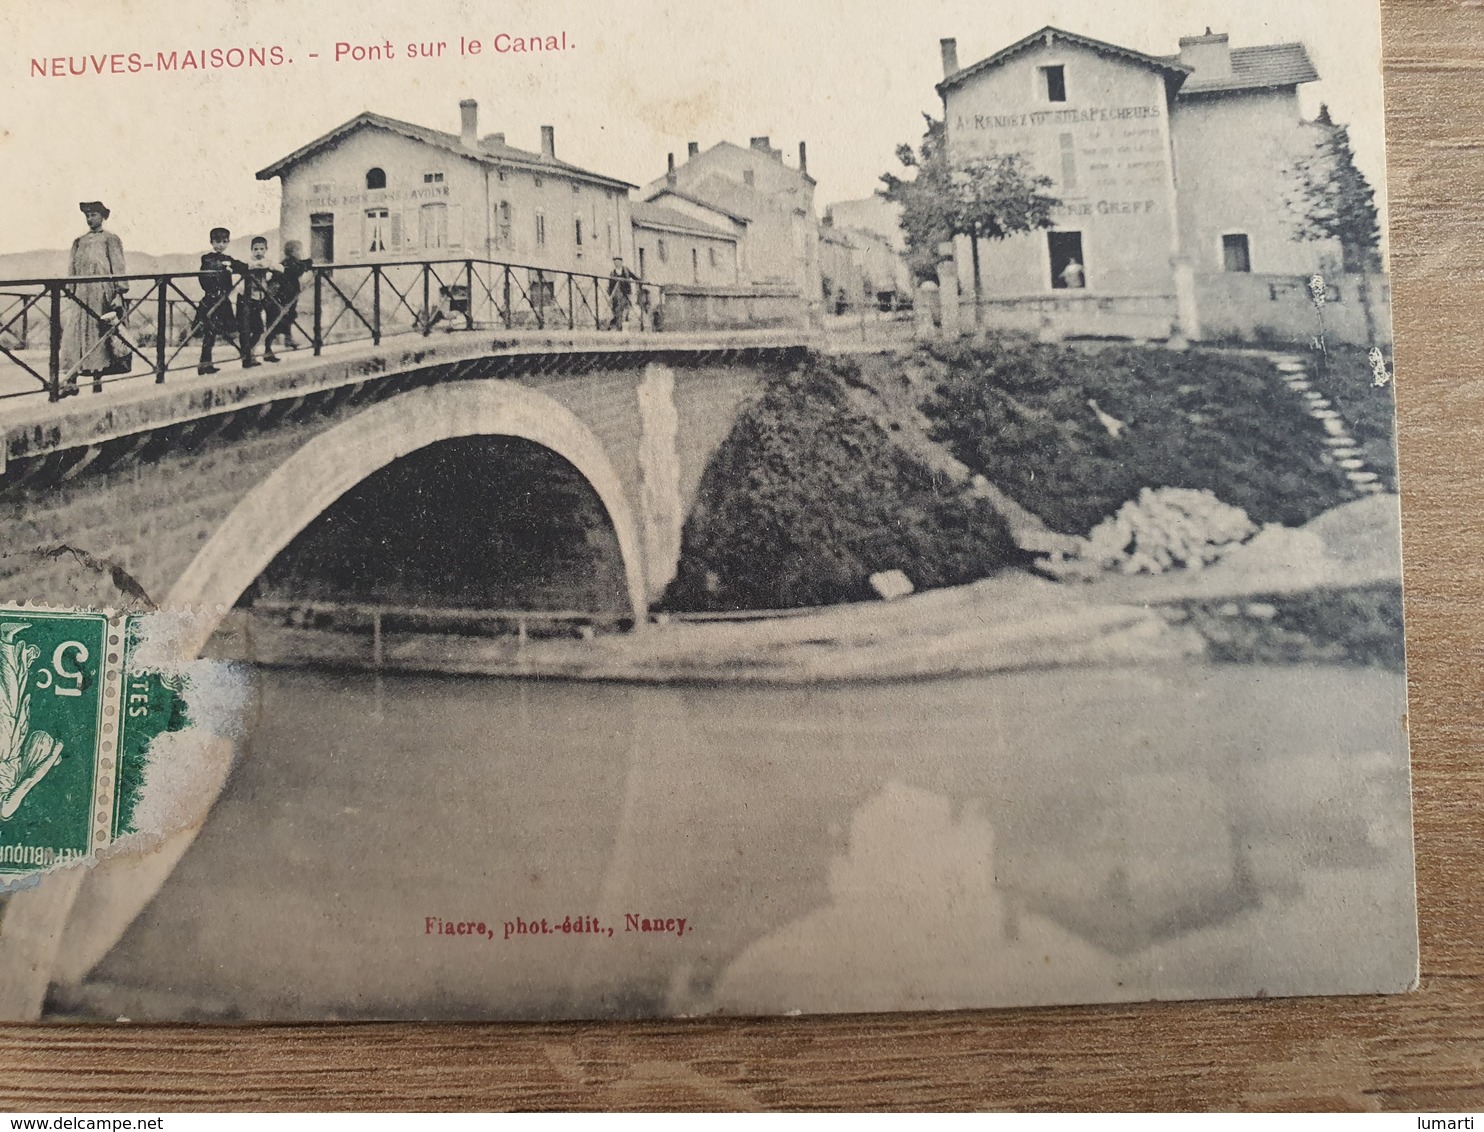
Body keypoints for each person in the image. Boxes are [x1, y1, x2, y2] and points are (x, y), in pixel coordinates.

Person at [60, 201, 129, 396]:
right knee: (75, 334)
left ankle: (97, 381)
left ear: (103, 216)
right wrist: (70, 291)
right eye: (88, 216)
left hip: (101, 294)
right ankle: (71, 381)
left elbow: (118, 266)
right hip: (81, 294)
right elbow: (72, 269)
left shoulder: (110, 239)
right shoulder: (79, 241)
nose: (90, 219)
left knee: (99, 335)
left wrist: (118, 293)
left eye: (94, 215)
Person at [195, 227, 251, 374]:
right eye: (217, 241)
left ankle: (246, 357)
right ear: (211, 242)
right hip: (211, 300)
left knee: (230, 331)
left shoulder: (228, 259)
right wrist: (224, 267)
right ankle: (204, 364)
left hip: (223, 301)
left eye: (224, 242)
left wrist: (238, 266)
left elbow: (243, 266)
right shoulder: (207, 258)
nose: (221, 245)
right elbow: (206, 274)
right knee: (210, 333)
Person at [265, 239, 311, 353]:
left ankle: (287, 339)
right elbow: (299, 270)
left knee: (287, 316)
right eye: (300, 250)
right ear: (294, 251)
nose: (301, 253)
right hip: (287, 295)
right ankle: (278, 342)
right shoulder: (292, 263)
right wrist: (308, 262)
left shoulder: (286, 262)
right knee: (285, 316)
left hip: (287, 294)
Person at [240, 236, 280, 362]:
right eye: (255, 249)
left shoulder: (267, 261)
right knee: (255, 328)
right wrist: (258, 265)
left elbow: (279, 268)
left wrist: (269, 265)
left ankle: (263, 352)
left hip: (263, 297)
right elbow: (247, 267)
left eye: (261, 249)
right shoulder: (248, 262)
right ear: (251, 250)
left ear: (266, 249)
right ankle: (248, 354)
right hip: (250, 298)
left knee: (272, 319)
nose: (258, 252)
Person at [607, 256, 639, 330]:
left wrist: (640, 280)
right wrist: (611, 295)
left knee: (627, 308)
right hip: (618, 293)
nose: (617, 264)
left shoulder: (626, 270)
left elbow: (633, 276)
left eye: (618, 262)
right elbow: (610, 285)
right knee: (618, 309)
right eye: (615, 262)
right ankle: (619, 326)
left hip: (627, 292)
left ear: (621, 262)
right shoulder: (612, 273)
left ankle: (623, 324)